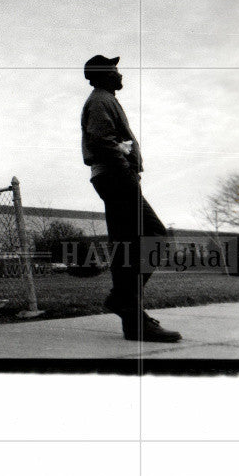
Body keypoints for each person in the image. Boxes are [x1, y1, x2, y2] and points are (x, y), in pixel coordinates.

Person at [80, 54, 181, 343]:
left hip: (114, 176)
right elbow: (101, 139)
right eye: (115, 70)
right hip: (115, 176)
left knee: (130, 244)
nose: (120, 74)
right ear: (102, 74)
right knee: (154, 234)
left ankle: (129, 312)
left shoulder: (105, 99)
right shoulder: (100, 99)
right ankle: (125, 301)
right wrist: (126, 170)